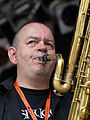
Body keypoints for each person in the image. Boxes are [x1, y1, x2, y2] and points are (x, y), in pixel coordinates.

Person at [0, 22, 73, 120]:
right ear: (13, 55)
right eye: (32, 42)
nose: (43, 47)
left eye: (49, 44)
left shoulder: (72, 100)